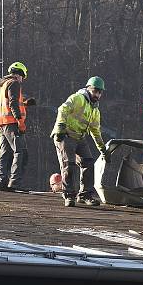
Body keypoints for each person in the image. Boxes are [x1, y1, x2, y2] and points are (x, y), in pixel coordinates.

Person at [51, 76, 110, 207]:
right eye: (95, 91)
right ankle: (69, 195)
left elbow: (95, 132)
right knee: (68, 164)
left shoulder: (95, 110)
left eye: (100, 92)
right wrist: (60, 127)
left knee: (88, 162)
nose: (97, 94)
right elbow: (62, 109)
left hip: (79, 138)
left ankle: (85, 195)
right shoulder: (77, 98)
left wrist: (103, 150)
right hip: (65, 135)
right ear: (88, 88)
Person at [0, 62, 35, 191]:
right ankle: (15, 183)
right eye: (23, 77)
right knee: (21, 152)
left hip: (1, 123)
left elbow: (7, 103)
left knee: (4, 154)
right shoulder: (14, 83)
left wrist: (25, 104)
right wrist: (20, 121)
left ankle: (1, 183)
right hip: (12, 123)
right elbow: (12, 103)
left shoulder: (1, 85)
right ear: (20, 74)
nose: (22, 80)